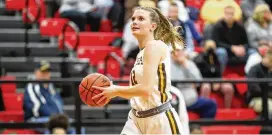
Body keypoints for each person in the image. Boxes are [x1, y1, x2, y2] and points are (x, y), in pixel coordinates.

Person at [92, 6, 187, 134]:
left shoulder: (155, 46)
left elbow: (145, 89)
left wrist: (115, 90)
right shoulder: (141, 52)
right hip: (136, 118)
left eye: (141, 19)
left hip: (159, 118)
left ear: (153, 26)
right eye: (133, 19)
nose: (135, 22)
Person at [171, 49, 217, 118]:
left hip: (192, 99)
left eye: (181, 51)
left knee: (211, 105)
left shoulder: (189, 64)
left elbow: (198, 81)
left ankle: (201, 127)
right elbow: (172, 82)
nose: (179, 53)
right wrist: (190, 83)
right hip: (174, 100)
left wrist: (185, 65)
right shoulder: (168, 65)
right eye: (177, 51)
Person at [194, 40, 234, 108]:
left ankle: (227, 110)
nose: (211, 49)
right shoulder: (199, 58)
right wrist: (211, 82)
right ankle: (204, 109)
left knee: (229, 87)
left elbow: (219, 71)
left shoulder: (216, 57)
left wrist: (218, 81)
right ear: (204, 48)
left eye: (213, 47)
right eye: (209, 47)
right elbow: (199, 74)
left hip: (216, 80)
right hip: (204, 81)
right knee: (206, 87)